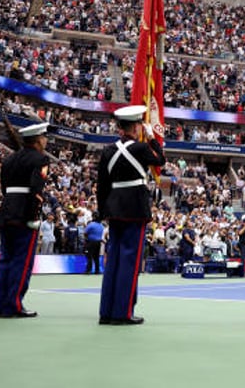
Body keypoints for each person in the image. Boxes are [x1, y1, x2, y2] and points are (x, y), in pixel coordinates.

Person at [96, 105, 165, 325]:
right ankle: (123, 312)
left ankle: (106, 311)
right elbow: (160, 160)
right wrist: (153, 137)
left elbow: (101, 186)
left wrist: (103, 211)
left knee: (113, 260)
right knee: (130, 262)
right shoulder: (141, 148)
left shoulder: (107, 151)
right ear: (136, 127)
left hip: (114, 208)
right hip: (135, 207)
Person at [0, 122, 51, 318]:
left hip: (7, 211)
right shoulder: (41, 159)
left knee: (6, 261)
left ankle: (2, 304)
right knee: (22, 262)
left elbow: (4, 189)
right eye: (44, 137)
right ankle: (15, 305)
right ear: (37, 140)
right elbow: (37, 191)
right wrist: (34, 218)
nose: (46, 140)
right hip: (25, 214)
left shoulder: (9, 160)